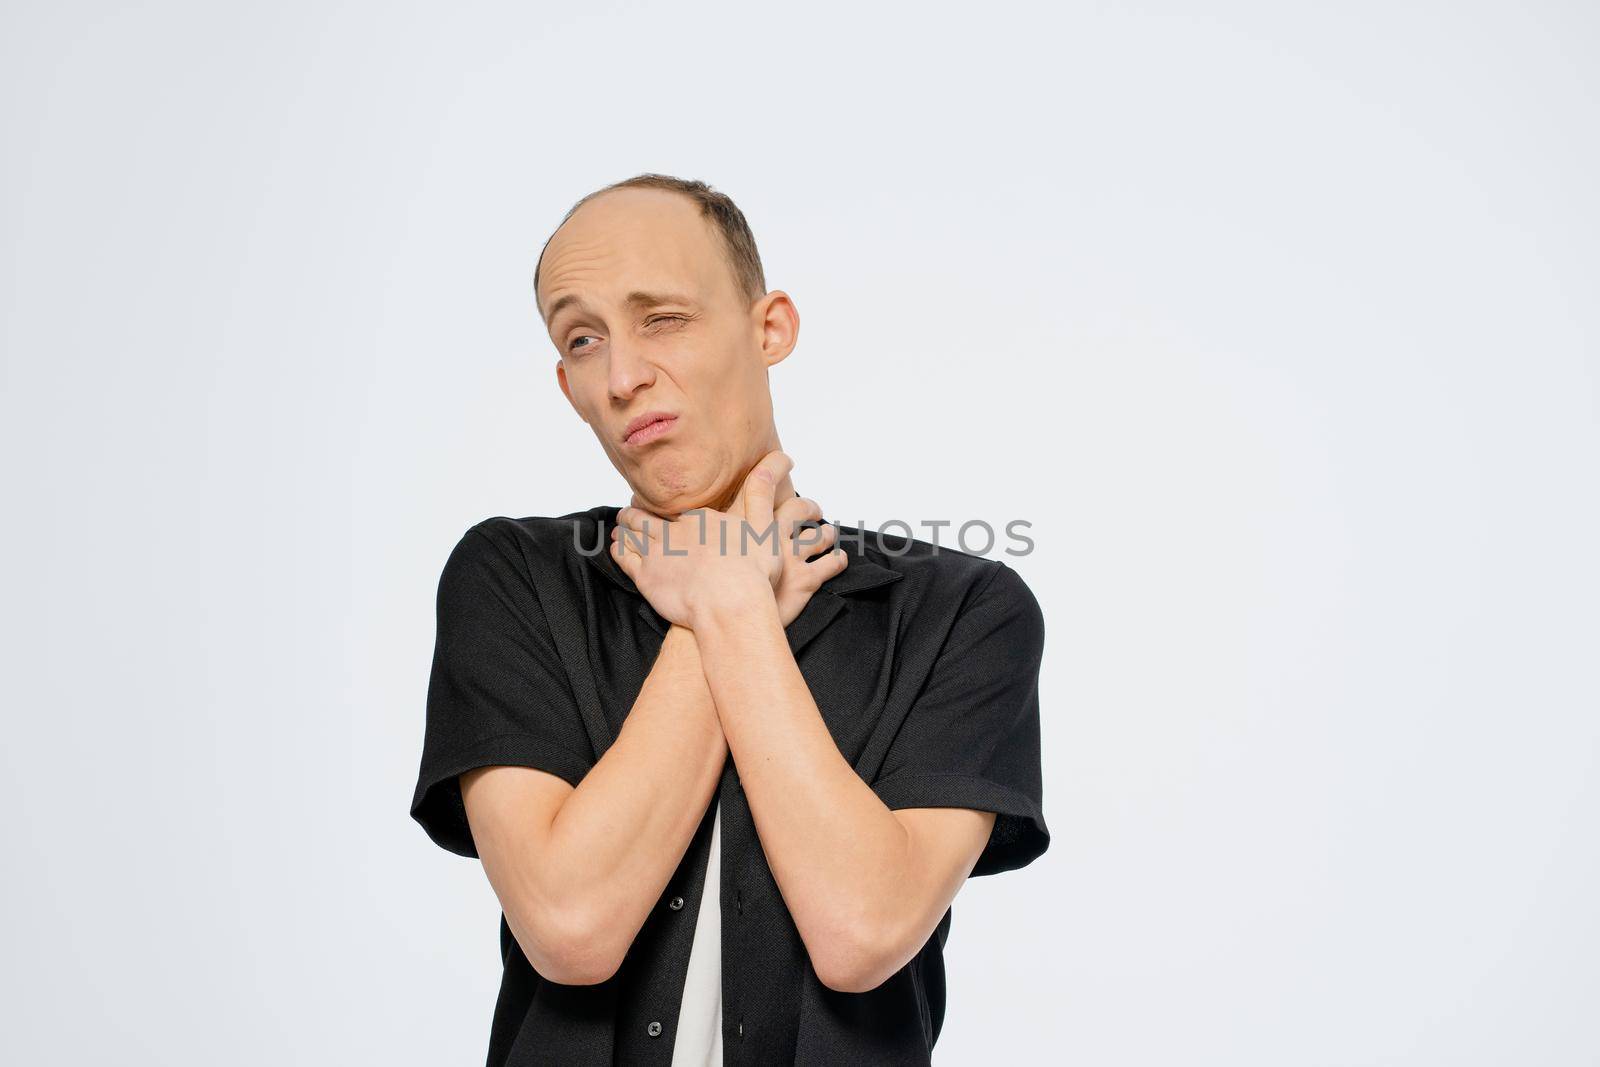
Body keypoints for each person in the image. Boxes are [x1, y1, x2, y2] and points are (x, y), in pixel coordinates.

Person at [409, 173, 1050, 1066]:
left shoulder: (961, 610)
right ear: (567, 384)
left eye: (661, 318)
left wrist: (733, 611)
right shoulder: (514, 577)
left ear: (770, 328)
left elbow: (863, 930)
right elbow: (570, 925)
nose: (624, 376)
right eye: (583, 339)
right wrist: (723, 605)